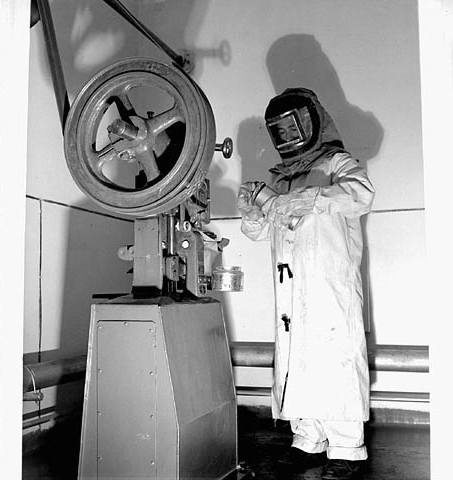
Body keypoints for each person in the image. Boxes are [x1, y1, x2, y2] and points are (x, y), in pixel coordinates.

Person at [237, 88, 375, 480]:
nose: (286, 136)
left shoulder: (337, 163)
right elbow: (261, 229)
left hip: (329, 285)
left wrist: (304, 199)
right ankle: (307, 439)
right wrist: (252, 209)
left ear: (313, 119)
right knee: (298, 360)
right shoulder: (280, 178)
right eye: (277, 130)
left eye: (292, 125)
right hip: (291, 291)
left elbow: (361, 195)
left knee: (336, 359)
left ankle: (347, 446)